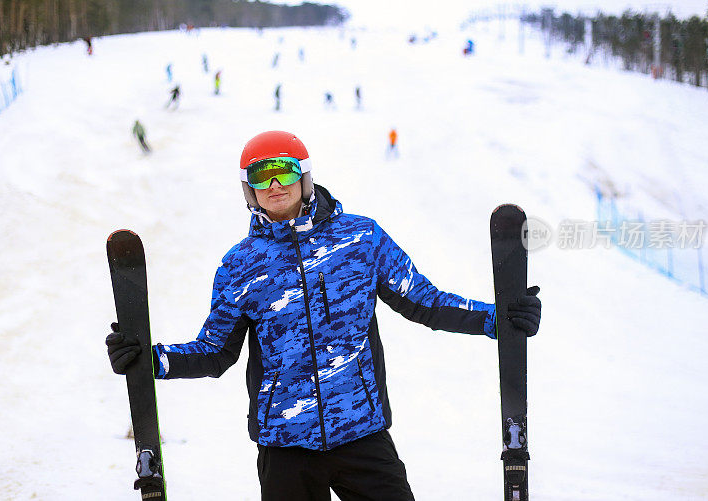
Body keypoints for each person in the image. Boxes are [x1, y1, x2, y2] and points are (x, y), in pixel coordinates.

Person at [106, 131, 542, 501]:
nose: (276, 183)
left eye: (286, 169)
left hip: (362, 433)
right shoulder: (240, 265)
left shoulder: (361, 238)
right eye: (262, 175)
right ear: (249, 189)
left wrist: (498, 319)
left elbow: (422, 300)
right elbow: (214, 352)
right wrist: (150, 359)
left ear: (305, 175)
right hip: (285, 447)